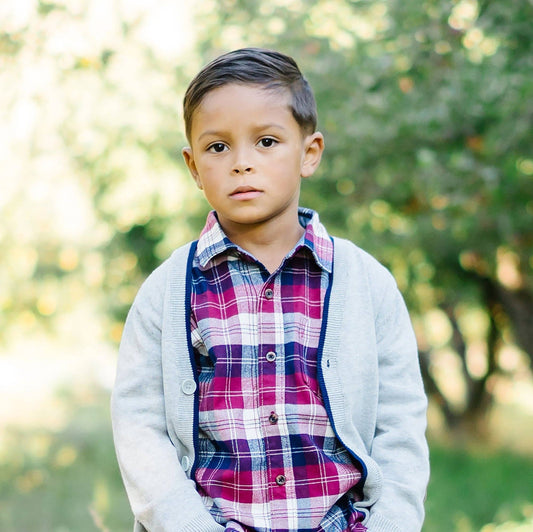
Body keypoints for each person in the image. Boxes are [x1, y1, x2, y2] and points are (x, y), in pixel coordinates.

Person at [111, 47, 430, 532]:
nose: (242, 163)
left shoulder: (367, 285)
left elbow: (401, 426)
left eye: (265, 141)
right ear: (193, 166)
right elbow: (139, 428)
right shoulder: (166, 292)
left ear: (309, 153)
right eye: (218, 147)